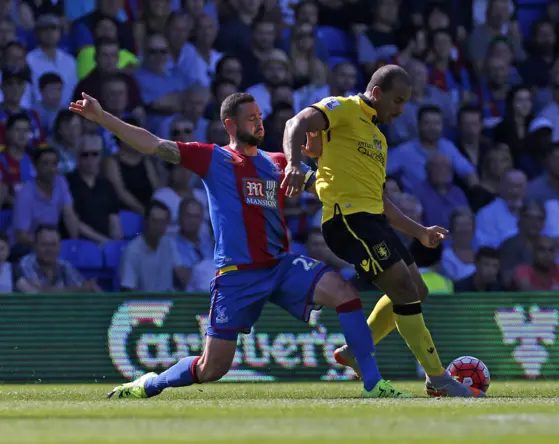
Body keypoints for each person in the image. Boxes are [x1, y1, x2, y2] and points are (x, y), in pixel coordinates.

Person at [70, 91, 407, 399]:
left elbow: (327, 188)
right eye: (251, 118)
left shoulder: (277, 163)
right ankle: (149, 384)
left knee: (345, 295)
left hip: (279, 266)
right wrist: (103, 118)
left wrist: (328, 164)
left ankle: (373, 382)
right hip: (236, 274)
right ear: (230, 124)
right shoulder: (212, 159)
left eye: (260, 117)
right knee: (211, 368)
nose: (259, 123)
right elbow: (153, 144)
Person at [281, 64, 484, 398]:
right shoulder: (343, 109)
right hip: (346, 220)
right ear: (376, 93)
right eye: (398, 100)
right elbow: (296, 122)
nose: (401, 109)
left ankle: (352, 351)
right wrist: (292, 164)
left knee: (418, 290)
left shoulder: (378, 138)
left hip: (373, 219)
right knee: (404, 288)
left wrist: (419, 232)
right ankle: (438, 379)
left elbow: (381, 198)